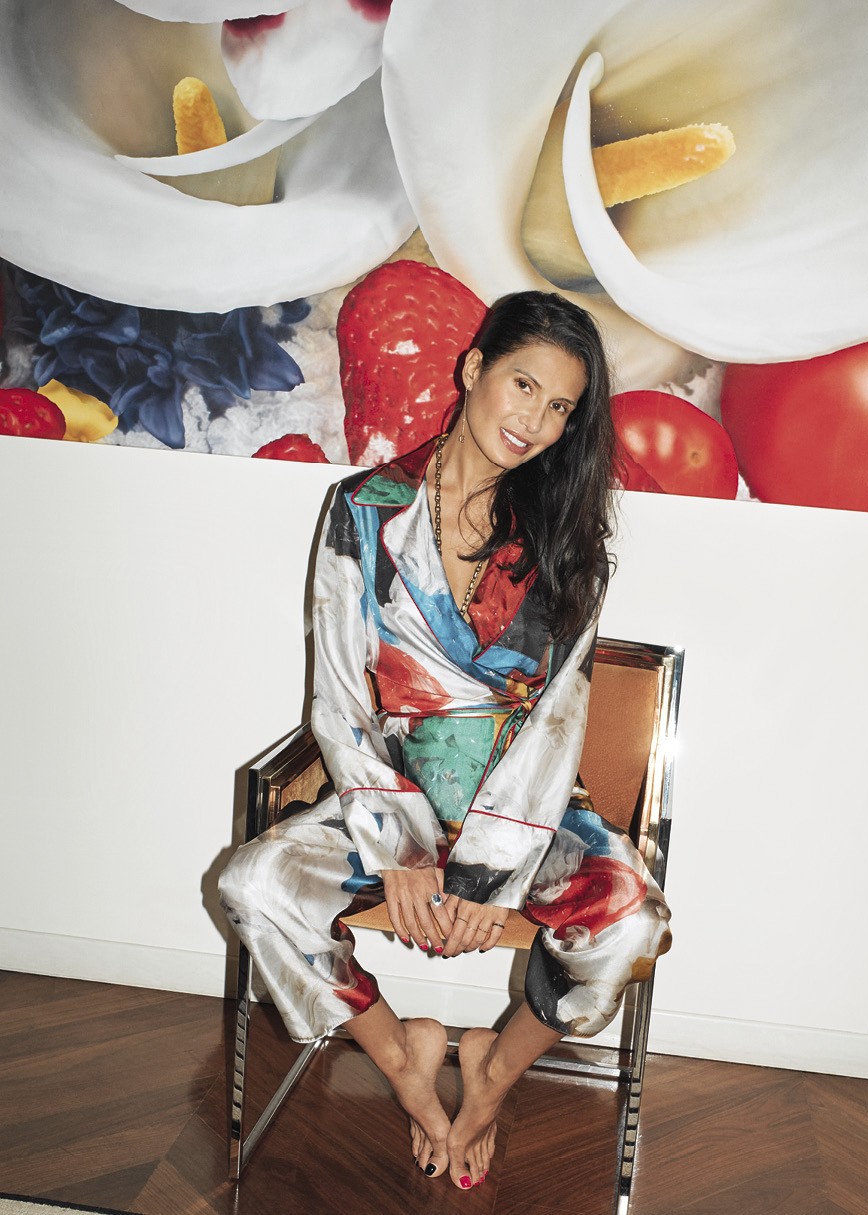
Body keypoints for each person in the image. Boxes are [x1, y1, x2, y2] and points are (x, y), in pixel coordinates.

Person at [219, 290, 671, 1191]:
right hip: (388, 800)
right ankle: (405, 1062)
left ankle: (493, 1073)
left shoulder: (569, 544)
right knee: (254, 883)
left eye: (560, 407)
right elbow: (340, 692)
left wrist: (487, 875)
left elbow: (556, 725)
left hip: (525, 814)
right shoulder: (364, 508)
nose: (535, 420)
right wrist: (403, 852)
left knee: (633, 923)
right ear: (473, 369)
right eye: (523, 385)